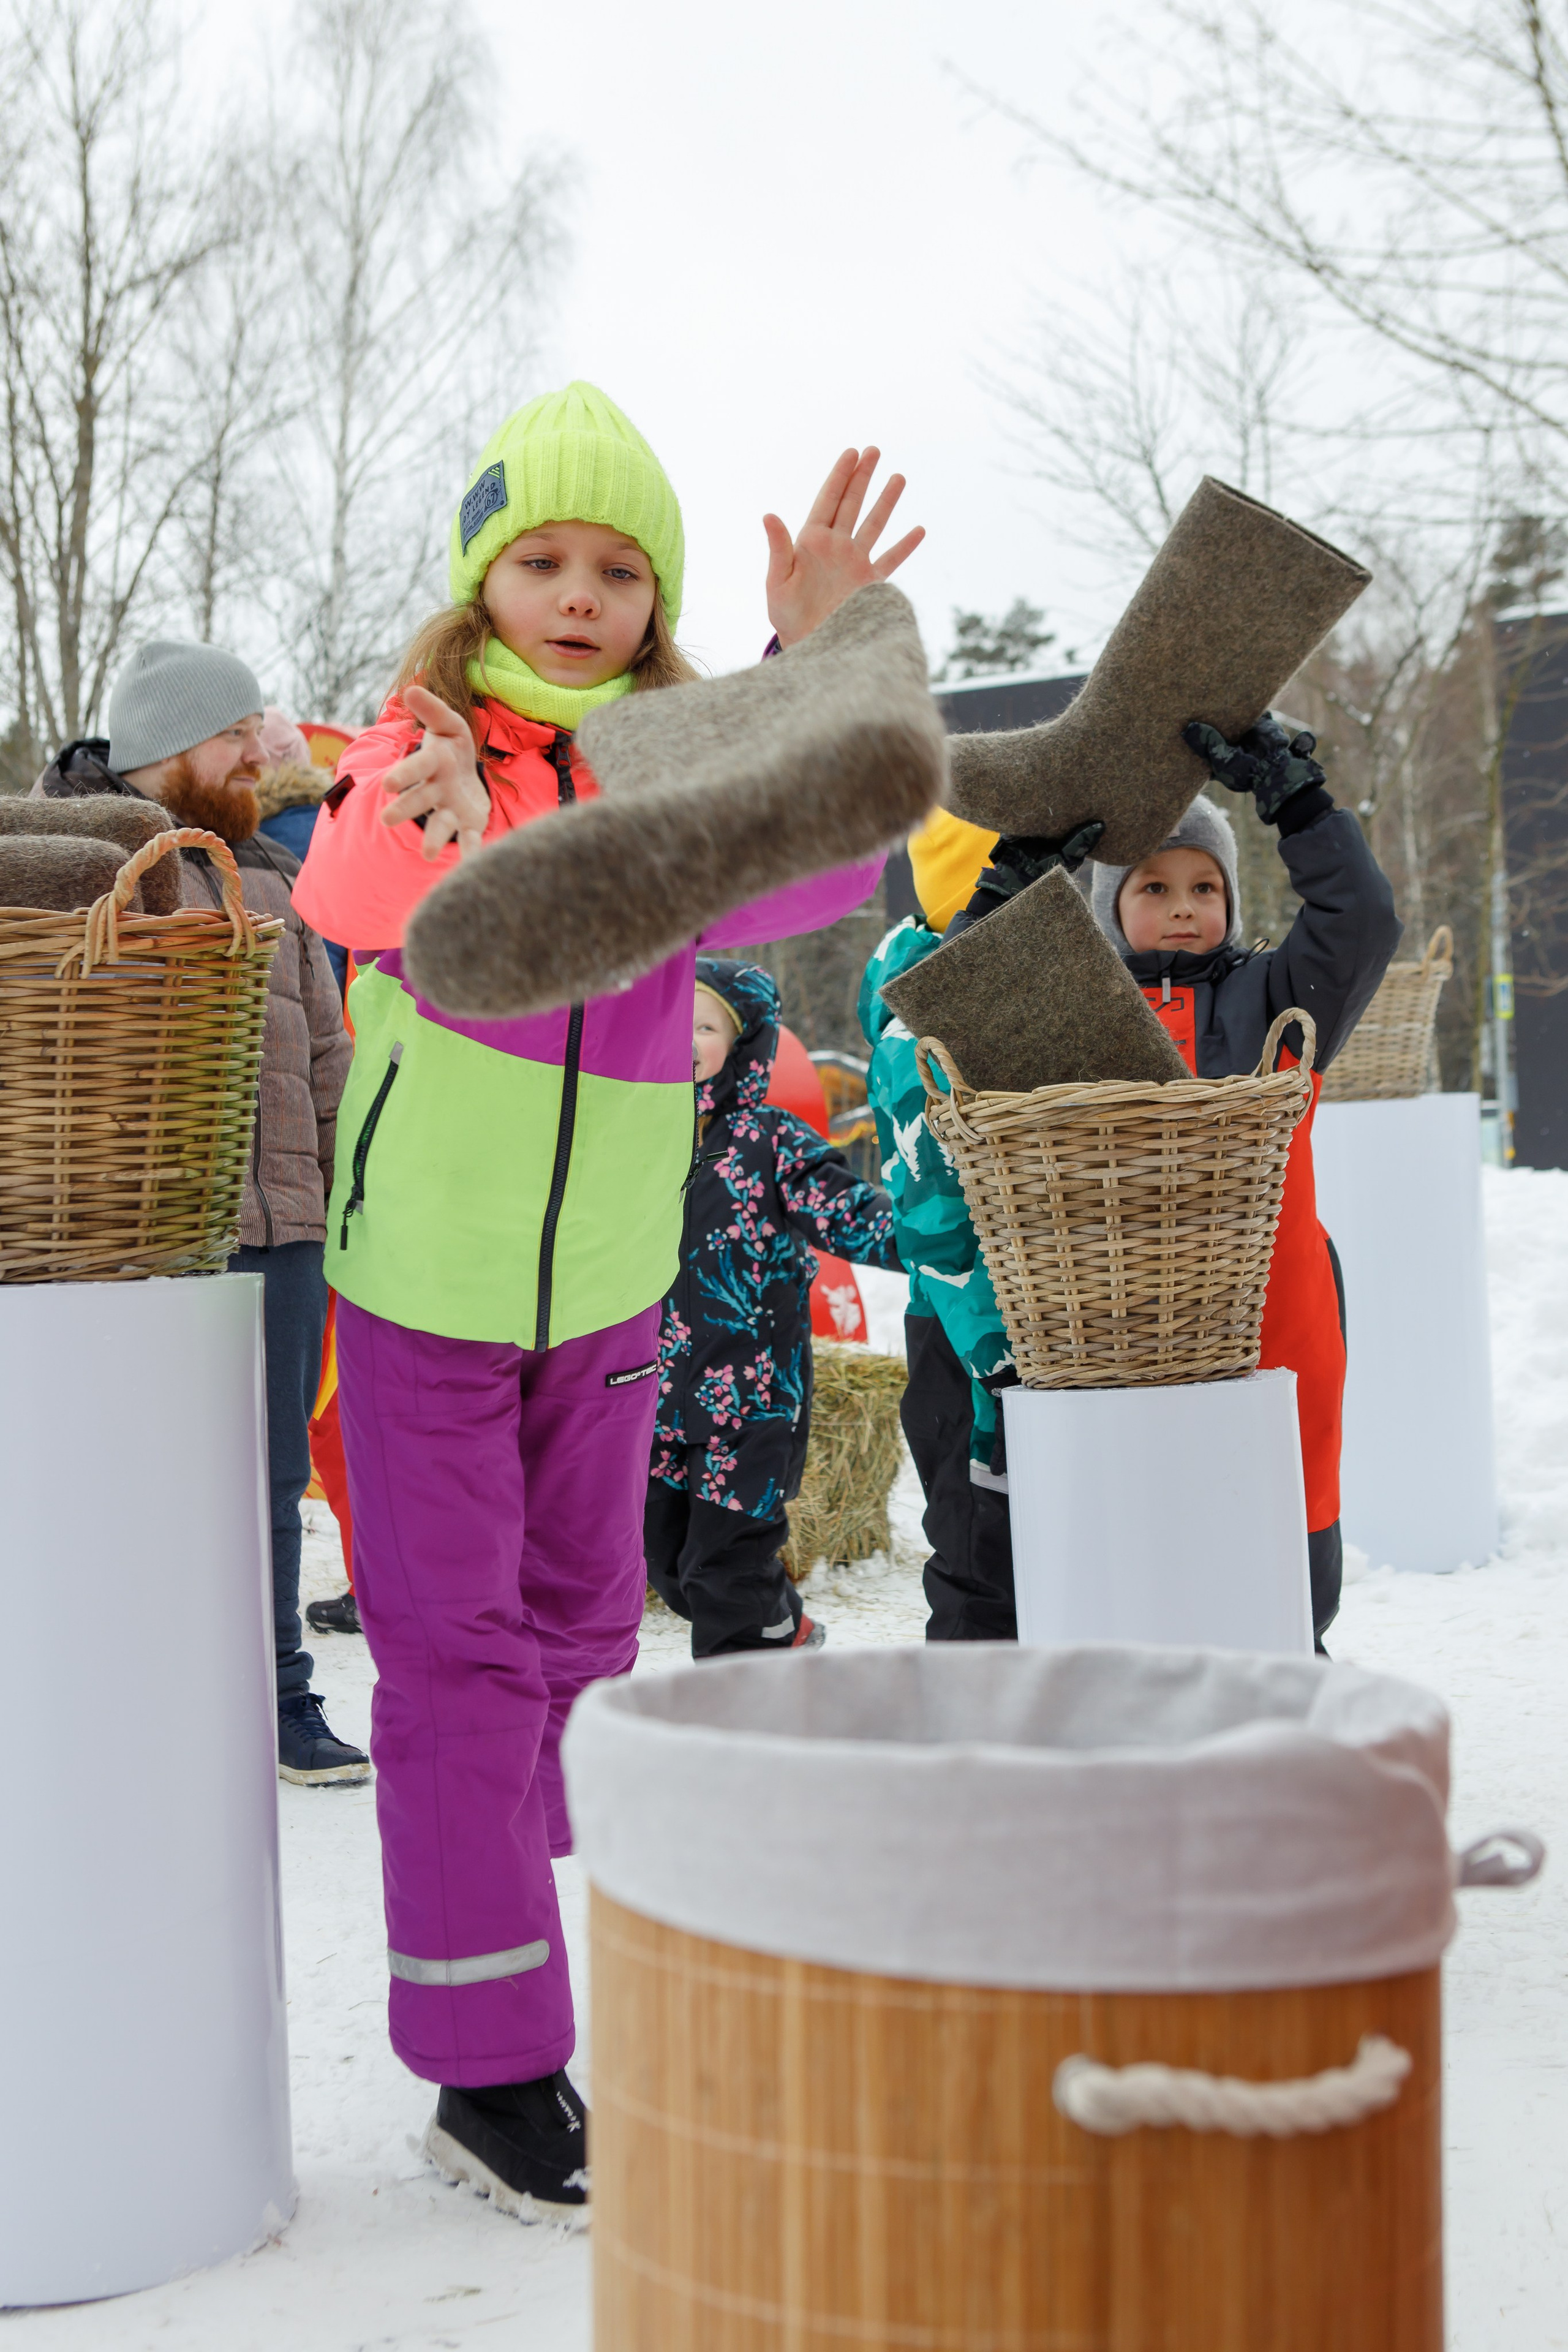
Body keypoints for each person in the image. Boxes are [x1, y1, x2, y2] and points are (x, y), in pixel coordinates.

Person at [290, 381, 922, 2221]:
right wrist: (430, 817)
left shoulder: (669, 764)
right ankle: (488, 2069)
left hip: (605, 1290)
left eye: (618, 566)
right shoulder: (423, 742)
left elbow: (829, 859)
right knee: (462, 1661)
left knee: (580, 1643)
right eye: (543, 558)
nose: (578, 593)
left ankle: (559, 1963)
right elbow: (350, 893)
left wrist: (816, 651)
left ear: (657, 599)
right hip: (426, 1285)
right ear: (488, 578)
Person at [38, 643, 364, 1785]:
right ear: (173, 749)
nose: (255, 755)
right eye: (234, 737)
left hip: (278, 1232)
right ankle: (120, 1688)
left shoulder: (274, 876)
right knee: (126, 1473)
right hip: (133, 1233)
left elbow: (327, 1053)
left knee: (270, 1476)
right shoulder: (74, 863)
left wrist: (340, 1197)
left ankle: (274, 1698)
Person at [1092, 716, 1401, 1646]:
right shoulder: (1082, 1014)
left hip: (1281, 1305)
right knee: (1156, 1538)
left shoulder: (1279, 995)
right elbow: (973, 1002)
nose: (1184, 905)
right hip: (1134, 1322)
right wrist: (1010, 890)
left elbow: (1364, 921)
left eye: (1205, 886)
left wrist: (1298, 804)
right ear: (1110, 907)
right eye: (1155, 885)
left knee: (1287, 1501)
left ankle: (1294, 1665)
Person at [646, 962, 902, 1656]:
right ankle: (783, 1622)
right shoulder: (634, 1142)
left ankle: (743, 1716)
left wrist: (927, 1236)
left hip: (752, 1400)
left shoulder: (771, 1140)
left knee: (722, 1570)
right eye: (671, 1021)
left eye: (704, 1026)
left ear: (744, 1043)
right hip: (660, 1399)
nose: (685, 1038)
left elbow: (845, 1210)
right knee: (667, 1564)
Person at [858, 808, 1020, 1641]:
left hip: (988, 1336)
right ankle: (975, 1749)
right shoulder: (919, 1027)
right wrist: (1008, 1373)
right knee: (982, 1572)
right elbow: (940, 1223)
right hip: (974, 1348)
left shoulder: (945, 991)